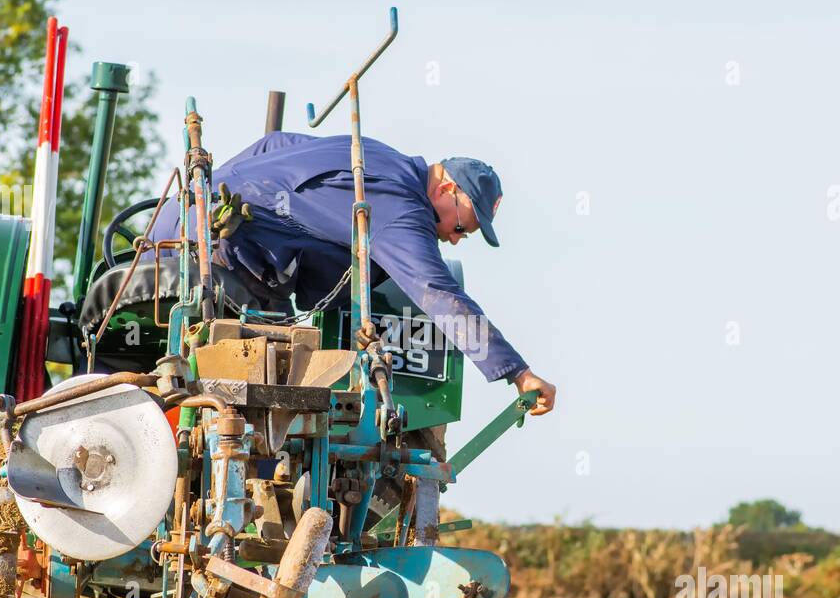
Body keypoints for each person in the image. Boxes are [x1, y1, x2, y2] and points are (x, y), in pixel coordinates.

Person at [156, 131, 556, 415]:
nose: (454, 240)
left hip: (173, 222)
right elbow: (437, 292)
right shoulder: (402, 208)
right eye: (461, 228)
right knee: (264, 396)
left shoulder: (376, 153)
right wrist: (518, 373)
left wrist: (208, 201)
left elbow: (275, 143)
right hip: (218, 256)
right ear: (447, 189)